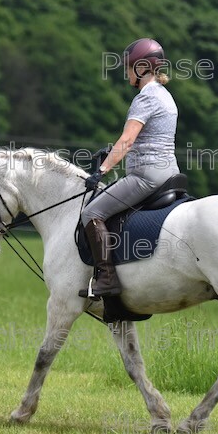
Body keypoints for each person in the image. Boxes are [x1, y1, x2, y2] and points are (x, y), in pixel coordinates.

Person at [79, 38, 180, 299]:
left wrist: (100, 170)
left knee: (91, 212)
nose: (126, 72)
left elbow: (127, 140)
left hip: (146, 176)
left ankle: (107, 279)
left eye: (129, 67)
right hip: (169, 172)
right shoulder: (166, 96)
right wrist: (111, 155)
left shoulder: (145, 98)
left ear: (142, 68)